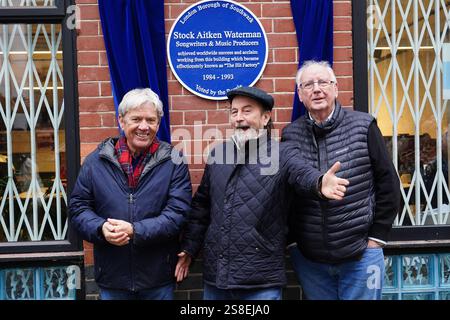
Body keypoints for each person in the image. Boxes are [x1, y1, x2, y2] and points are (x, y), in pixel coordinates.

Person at [175, 86, 349, 300]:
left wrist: (319, 182)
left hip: (260, 281)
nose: (239, 118)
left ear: (266, 117)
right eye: (234, 112)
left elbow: (301, 173)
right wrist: (190, 248)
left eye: (247, 111)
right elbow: (202, 206)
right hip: (216, 279)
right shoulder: (218, 154)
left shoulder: (282, 152)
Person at [282, 60, 401, 300]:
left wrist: (376, 239)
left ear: (336, 88)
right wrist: (294, 242)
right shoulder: (290, 135)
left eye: (323, 82)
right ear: (300, 95)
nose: (317, 89)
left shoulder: (364, 125)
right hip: (311, 261)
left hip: (361, 255)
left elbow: (388, 184)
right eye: (308, 85)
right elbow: (286, 191)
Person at [69, 88, 191, 300]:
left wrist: (135, 230)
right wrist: (101, 228)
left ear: (158, 123)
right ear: (121, 120)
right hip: (113, 278)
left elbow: (177, 214)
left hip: (157, 279)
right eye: (136, 119)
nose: (144, 126)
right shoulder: (95, 162)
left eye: (151, 120)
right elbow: (78, 208)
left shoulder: (174, 162)